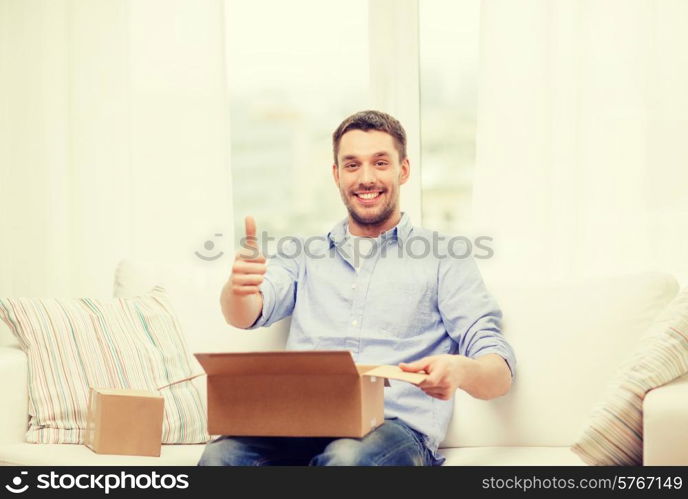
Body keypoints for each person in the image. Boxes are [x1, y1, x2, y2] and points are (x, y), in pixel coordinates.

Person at [198, 110, 516, 466]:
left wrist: (461, 370)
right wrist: (237, 289)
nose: (366, 178)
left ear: (403, 170)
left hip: (393, 430)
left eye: (380, 163)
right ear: (336, 175)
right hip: (295, 424)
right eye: (352, 165)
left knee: (347, 460)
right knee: (219, 459)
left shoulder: (446, 258)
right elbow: (247, 313)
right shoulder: (303, 254)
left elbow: (498, 372)